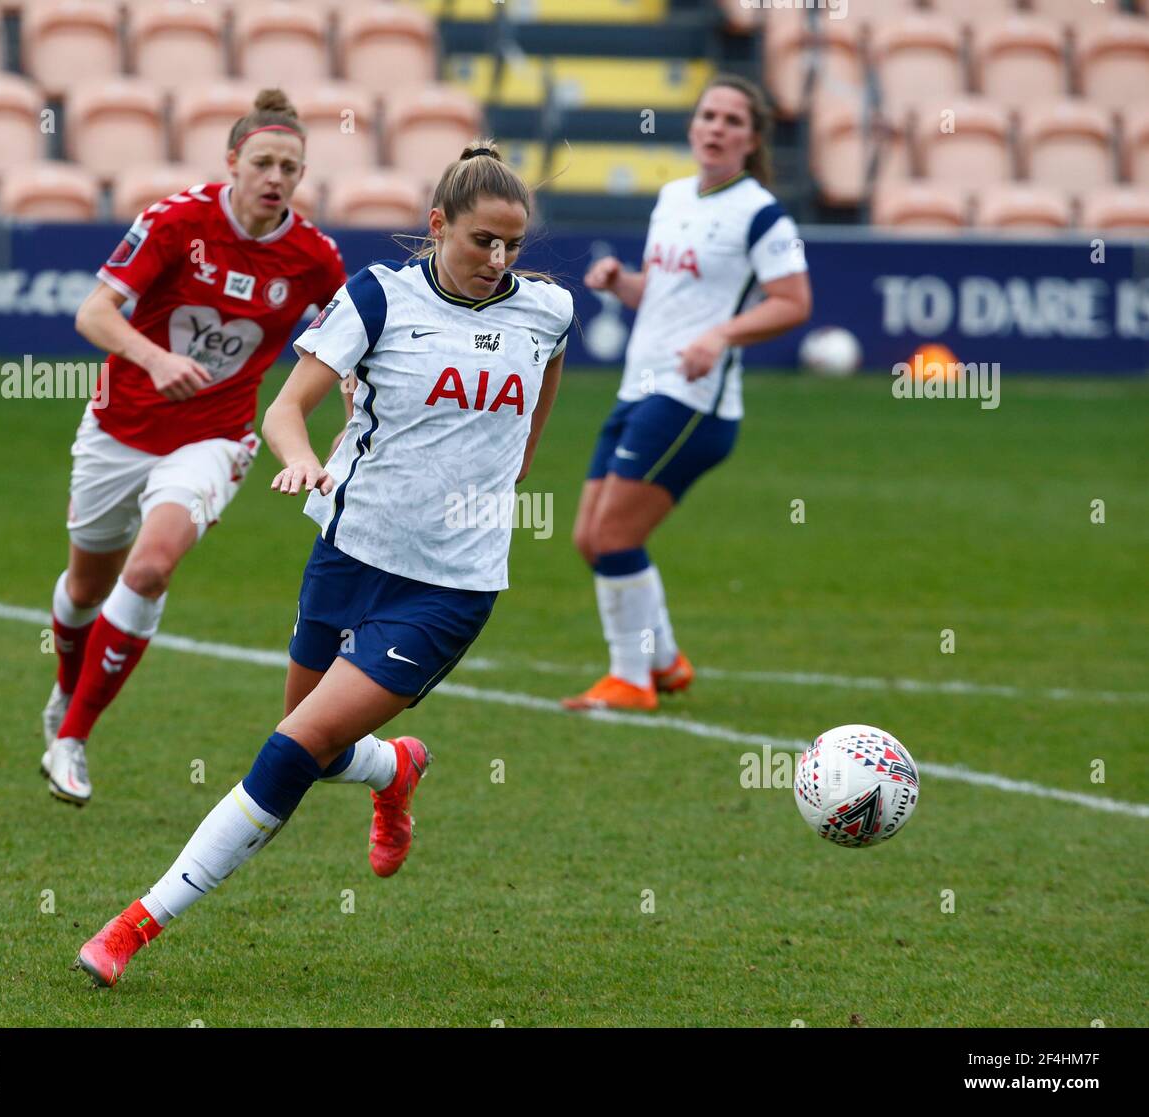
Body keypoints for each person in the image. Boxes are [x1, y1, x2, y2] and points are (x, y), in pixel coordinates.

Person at [71, 141, 575, 986]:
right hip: (347, 553)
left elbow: (538, 402)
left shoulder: (548, 311)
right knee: (317, 741)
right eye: (482, 240)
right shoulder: (377, 297)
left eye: (512, 245)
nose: (498, 261)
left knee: (292, 745)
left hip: (450, 586)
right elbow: (285, 410)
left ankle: (131, 926)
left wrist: (506, 462)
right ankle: (396, 765)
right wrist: (303, 457)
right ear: (438, 225)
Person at [41, 90, 347, 805]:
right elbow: (95, 313)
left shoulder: (312, 255)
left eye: (291, 168)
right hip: (119, 428)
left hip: (215, 435)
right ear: (233, 161)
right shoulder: (178, 222)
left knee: (149, 570)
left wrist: (352, 414)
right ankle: (64, 693)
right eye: (264, 162)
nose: (276, 177)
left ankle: (73, 737)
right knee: (86, 587)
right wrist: (155, 360)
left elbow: (350, 346)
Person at [562, 75, 812, 712]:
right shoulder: (674, 196)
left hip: (692, 401)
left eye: (733, 119)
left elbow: (793, 302)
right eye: (708, 115)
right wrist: (622, 283)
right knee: (590, 539)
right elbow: (667, 296)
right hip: (639, 387)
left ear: (751, 139)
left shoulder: (762, 213)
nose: (716, 127)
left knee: (615, 536)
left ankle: (629, 679)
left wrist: (721, 336)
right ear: (693, 125)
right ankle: (665, 661)